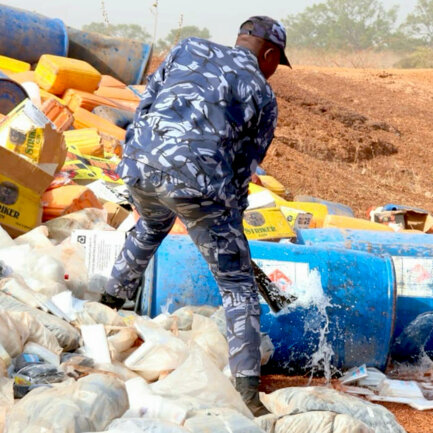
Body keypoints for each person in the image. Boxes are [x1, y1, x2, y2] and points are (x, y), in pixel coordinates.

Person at [100, 16, 291, 414]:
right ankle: (247, 396)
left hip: (139, 166)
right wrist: (230, 227)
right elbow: (242, 172)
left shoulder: (188, 48)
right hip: (198, 184)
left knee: (150, 226)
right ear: (269, 54)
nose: (275, 70)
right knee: (237, 284)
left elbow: (147, 102)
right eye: (277, 62)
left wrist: (141, 158)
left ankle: (104, 312)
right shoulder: (262, 92)